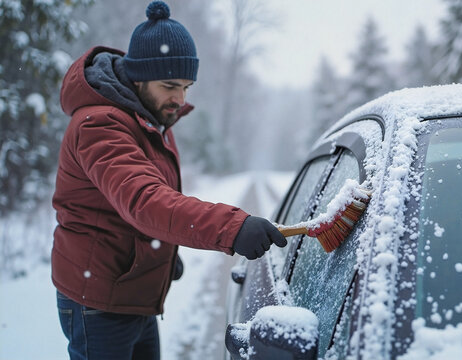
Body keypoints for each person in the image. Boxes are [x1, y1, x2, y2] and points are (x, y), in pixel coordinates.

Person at [51, 1, 287, 359]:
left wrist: (159, 254)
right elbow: (145, 201)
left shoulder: (149, 117)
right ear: (138, 76)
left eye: (187, 87)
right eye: (170, 85)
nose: (180, 99)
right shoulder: (100, 124)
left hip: (134, 295)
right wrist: (232, 227)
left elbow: (140, 201)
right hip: (97, 303)